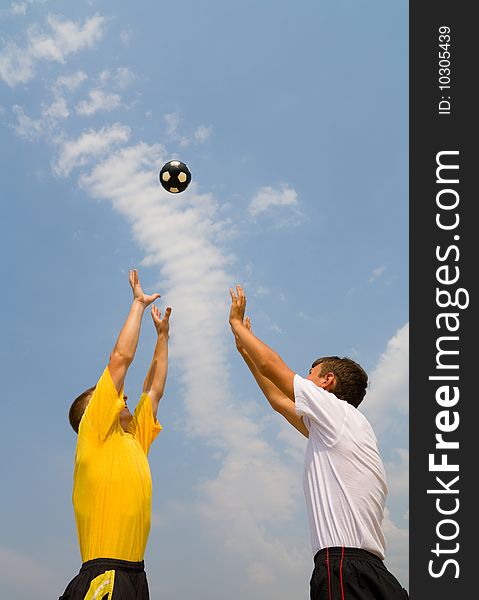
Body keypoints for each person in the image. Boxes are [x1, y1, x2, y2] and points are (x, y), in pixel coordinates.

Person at [228, 285, 408, 600]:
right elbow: (275, 398)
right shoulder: (342, 426)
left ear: (327, 381)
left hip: (343, 567)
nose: (304, 380)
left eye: (310, 374)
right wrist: (245, 351)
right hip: (373, 571)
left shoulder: (332, 408)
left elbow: (273, 367)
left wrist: (237, 327)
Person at [59, 269, 171, 600]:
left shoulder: (133, 437)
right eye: (111, 397)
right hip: (105, 572)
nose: (120, 396)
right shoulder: (95, 431)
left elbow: (154, 389)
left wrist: (162, 338)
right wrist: (137, 304)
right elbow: (120, 360)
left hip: (136, 574)